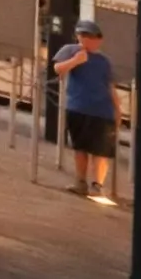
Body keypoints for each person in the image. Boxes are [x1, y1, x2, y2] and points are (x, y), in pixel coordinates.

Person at [51, 11, 119, 203]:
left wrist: (117, 110)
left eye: (90, 36)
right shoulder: (70, 50)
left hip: (102, 110)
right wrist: (75, 61)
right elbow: (57, 69)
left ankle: (97, 185)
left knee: (101, 150)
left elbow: (110, 86)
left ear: (98, 40)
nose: (85, 39)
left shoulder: (104, 61)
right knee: (80, 147)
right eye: (82, 35)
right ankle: (80, 181)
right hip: (78, 107)